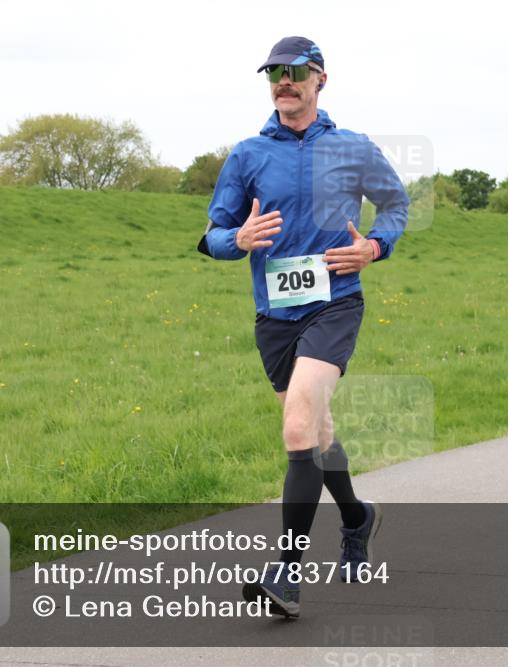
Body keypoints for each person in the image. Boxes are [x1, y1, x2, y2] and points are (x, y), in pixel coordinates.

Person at [196, 36, 409, 619]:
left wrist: (374, 246)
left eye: (294, 72)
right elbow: (212, 235)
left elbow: (395, 205)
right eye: (273, 74)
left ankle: (287, 573)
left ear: (320, 79)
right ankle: (357, 517)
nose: (282, 82)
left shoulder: (353, 148)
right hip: (274, 316)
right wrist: (235, 239)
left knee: (296, 427)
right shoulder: (246, 154)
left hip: (335, 304)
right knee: (317, 434)